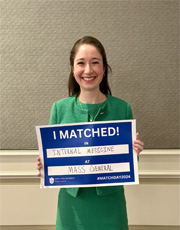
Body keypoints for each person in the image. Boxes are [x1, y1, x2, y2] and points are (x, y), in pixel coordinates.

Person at [37, 36, 144, 230]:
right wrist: (45, 164)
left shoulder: (123, 109)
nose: (88, 70)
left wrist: (134, 154)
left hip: (111, 206)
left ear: (104, 68)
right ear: (72, 68)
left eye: (95, 62)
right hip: (72, 206)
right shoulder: (59, 109)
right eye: (81, 63)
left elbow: (127, 166)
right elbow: (52, 161)